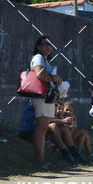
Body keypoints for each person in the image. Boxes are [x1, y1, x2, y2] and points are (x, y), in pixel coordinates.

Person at [29, 35, 63, 169]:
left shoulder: (46, 60)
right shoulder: (38, 58)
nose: (48, 47)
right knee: (41, 127)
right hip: (41, 96)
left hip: (47, 97)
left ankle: (42, 158)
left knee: (43, 127)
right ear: (38, 46)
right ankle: (40, 159)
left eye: (50, 44)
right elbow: (39, 75)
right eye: (45, 44)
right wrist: (55, 78)